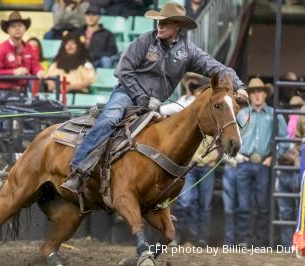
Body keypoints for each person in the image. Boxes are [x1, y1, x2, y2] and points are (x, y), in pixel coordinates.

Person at [61, 2, 248, 193]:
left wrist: (239, 86)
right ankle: (77, 169)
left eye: (166, 22)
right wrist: (141, 96)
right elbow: (123, 71)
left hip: (154, 104)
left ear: (178, 26)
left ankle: (154, 193)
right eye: (159, 22)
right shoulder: (144, 41)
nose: (160, 25)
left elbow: (219, 69)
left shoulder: (188, 51)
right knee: (109, 119)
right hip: (127, 94)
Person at [234, 78, 288, 247]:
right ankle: (244, 239)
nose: (257, 95)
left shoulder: (274, 115)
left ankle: (261, 241)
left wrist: (274, 157)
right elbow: (229, 138)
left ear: (265, 94)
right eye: (254, 92)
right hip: (244, 162)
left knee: (263, 205)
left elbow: (284, 140)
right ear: (249, 95)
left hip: (264, 163)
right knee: (243, 204)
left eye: (260, 91)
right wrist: (235, 155)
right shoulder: (241, 114)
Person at [0, 11, 44, 102]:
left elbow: (35, 65)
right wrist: (13, 72)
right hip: (4, 94)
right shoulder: (0, 50)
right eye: (13, 26)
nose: (17, 29)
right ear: (8, 30)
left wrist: (39, 71)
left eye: (20, 25)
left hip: (23, 93)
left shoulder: (29, 49)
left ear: (25, 28)